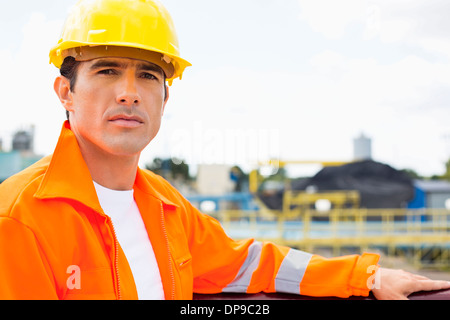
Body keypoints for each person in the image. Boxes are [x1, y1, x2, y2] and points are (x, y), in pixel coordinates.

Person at [0, 0, 449, 300]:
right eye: (107, 70)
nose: (129, 93)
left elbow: (248, 263)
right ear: (66, 91)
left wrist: (366, 276)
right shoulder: (21, 217)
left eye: (149, 76)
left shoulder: (164, 205)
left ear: (165, 99)